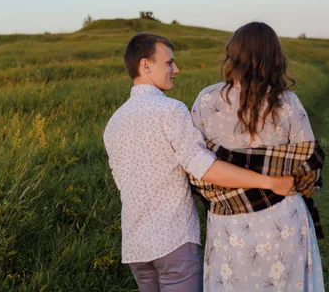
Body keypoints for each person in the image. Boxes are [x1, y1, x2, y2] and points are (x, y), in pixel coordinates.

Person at [103, 32, 296, 292]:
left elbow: (122, 182)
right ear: (145, 65)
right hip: (174, 241)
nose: (176, 69)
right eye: (169, 63)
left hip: (136, 246)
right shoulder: (170, 110)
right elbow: (205, 168)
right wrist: (270, 182)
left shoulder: (114, 122)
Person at [190, 22, 325, 291]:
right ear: (274, 57)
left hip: (228, 223)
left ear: (233, 54)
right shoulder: (287, 103)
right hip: (282, 217)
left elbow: (195, 164)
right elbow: (309, 164)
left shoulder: (206, 100)